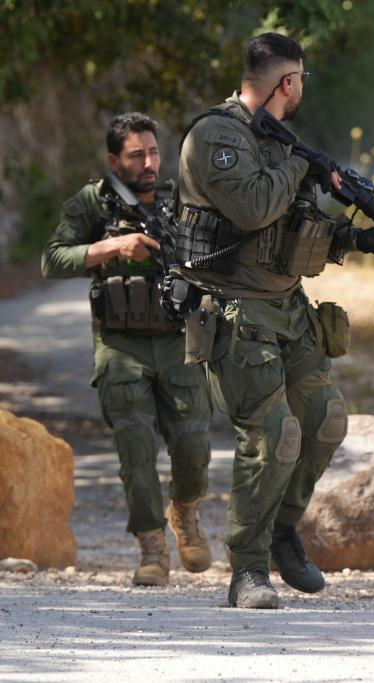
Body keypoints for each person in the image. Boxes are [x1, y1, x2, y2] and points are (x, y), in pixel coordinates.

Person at [174, 32, 374, 609]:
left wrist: (361, 238)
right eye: (301, 78)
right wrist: (303, 162)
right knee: (272, 434)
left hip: (289, 306)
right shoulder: (217, 136)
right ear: (287, 81)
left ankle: (281, 529)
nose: (302, 88)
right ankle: (248, 569)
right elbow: (254, 208)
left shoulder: (279, 139)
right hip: (236, 310)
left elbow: (295, 227)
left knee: (326, 419)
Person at [41, 112, 214, 587]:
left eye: (154, 152)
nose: (149, 163)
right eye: (137, 155)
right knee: (136, 451)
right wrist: (114, 247)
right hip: (120, 345)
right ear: (114, 160)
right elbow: (52, 259)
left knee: (194, 446)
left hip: (177, 340)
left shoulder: (181, 198)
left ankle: (185, 512)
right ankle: (151, 546)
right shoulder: (93, 202)